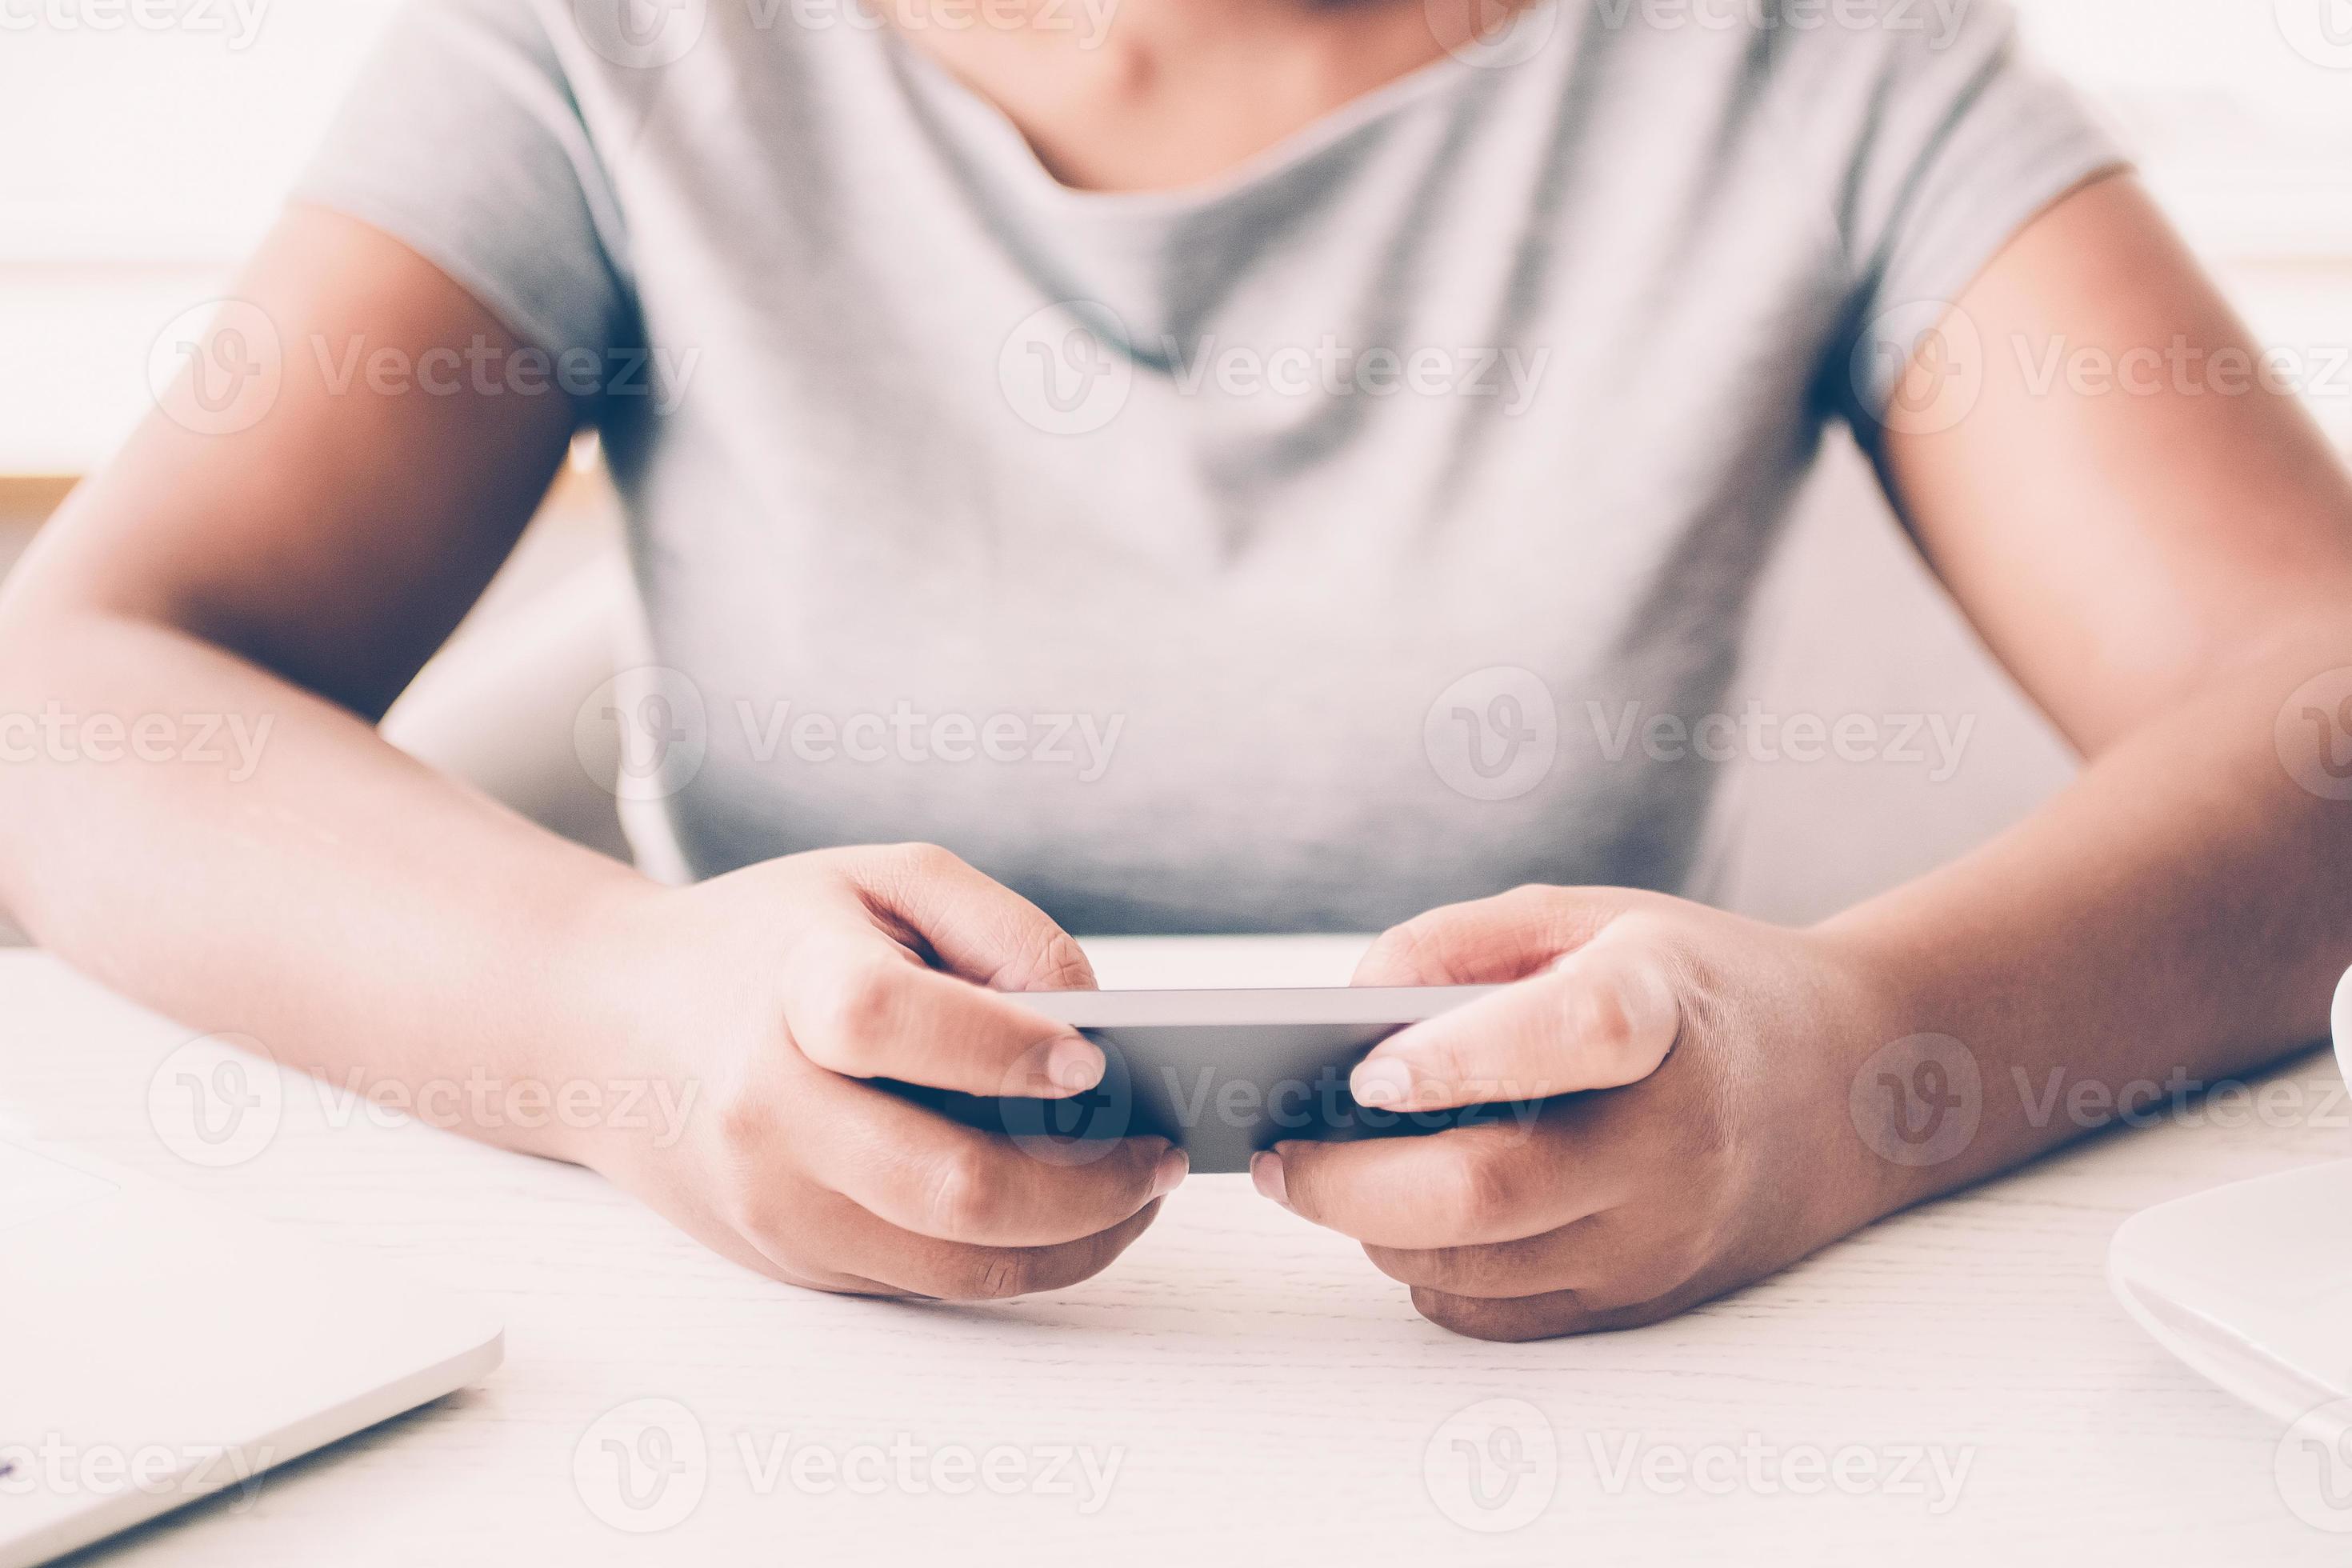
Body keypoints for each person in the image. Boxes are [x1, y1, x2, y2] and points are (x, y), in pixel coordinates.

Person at [2, 0, 2348, 1341]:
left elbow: (2310, 696)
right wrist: (603, 1013)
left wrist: (1849, 1066)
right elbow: (71, 693)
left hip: (1575, 1419)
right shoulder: (603, 48)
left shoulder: (1824, 67)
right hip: (800, 1404)